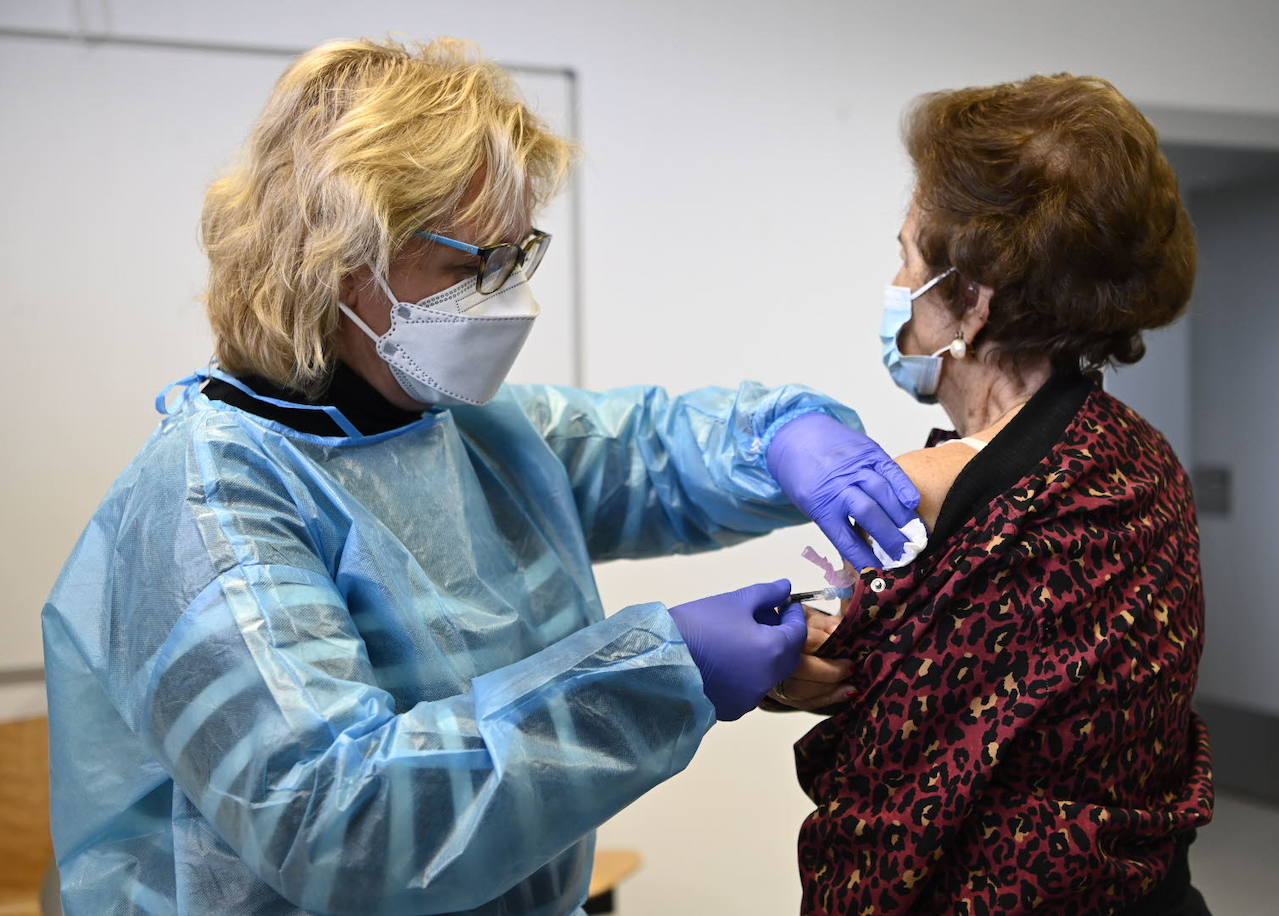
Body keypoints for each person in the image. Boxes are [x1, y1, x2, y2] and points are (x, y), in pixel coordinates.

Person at [40, 38, 913, 915]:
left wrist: (785, 438)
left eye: (517, 256)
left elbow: (652, 454)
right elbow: (344, 823)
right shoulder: (209, 504)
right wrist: (659, 672)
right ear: (339, 253)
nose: (507, 298)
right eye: (471, 266)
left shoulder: (469, 433)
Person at [780, 74, 1214, 914]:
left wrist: (780, 667)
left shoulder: (912, 496)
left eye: (907, 255)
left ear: (970, 301)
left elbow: (854, 699)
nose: (895, 281)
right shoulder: (1144, 458)